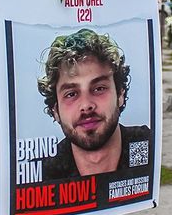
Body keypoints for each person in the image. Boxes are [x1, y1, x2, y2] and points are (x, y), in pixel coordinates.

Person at [37, 29, 151, 179]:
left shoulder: (148, 146)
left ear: (120, 94)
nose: (86, 105)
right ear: (55, 111)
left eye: (99, 89)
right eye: (71, 94)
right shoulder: (42, 173)